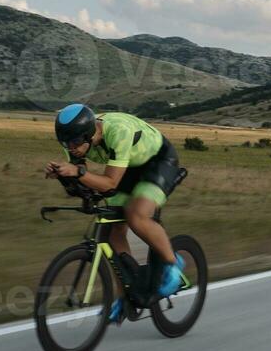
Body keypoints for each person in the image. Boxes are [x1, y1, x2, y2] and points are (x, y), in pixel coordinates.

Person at [45, 104, 187, 310]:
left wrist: (77, 172)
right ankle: (125, 294)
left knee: (136, 216)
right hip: (127, 167)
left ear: (89, 134)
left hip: (157, 162)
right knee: (112, 230)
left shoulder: (118, 132)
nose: (70, 148)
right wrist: (62, 176)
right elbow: (80, 182)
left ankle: (173, 265)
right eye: (64, 143)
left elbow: (109, 183)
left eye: (74, 142)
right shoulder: (74, 140)